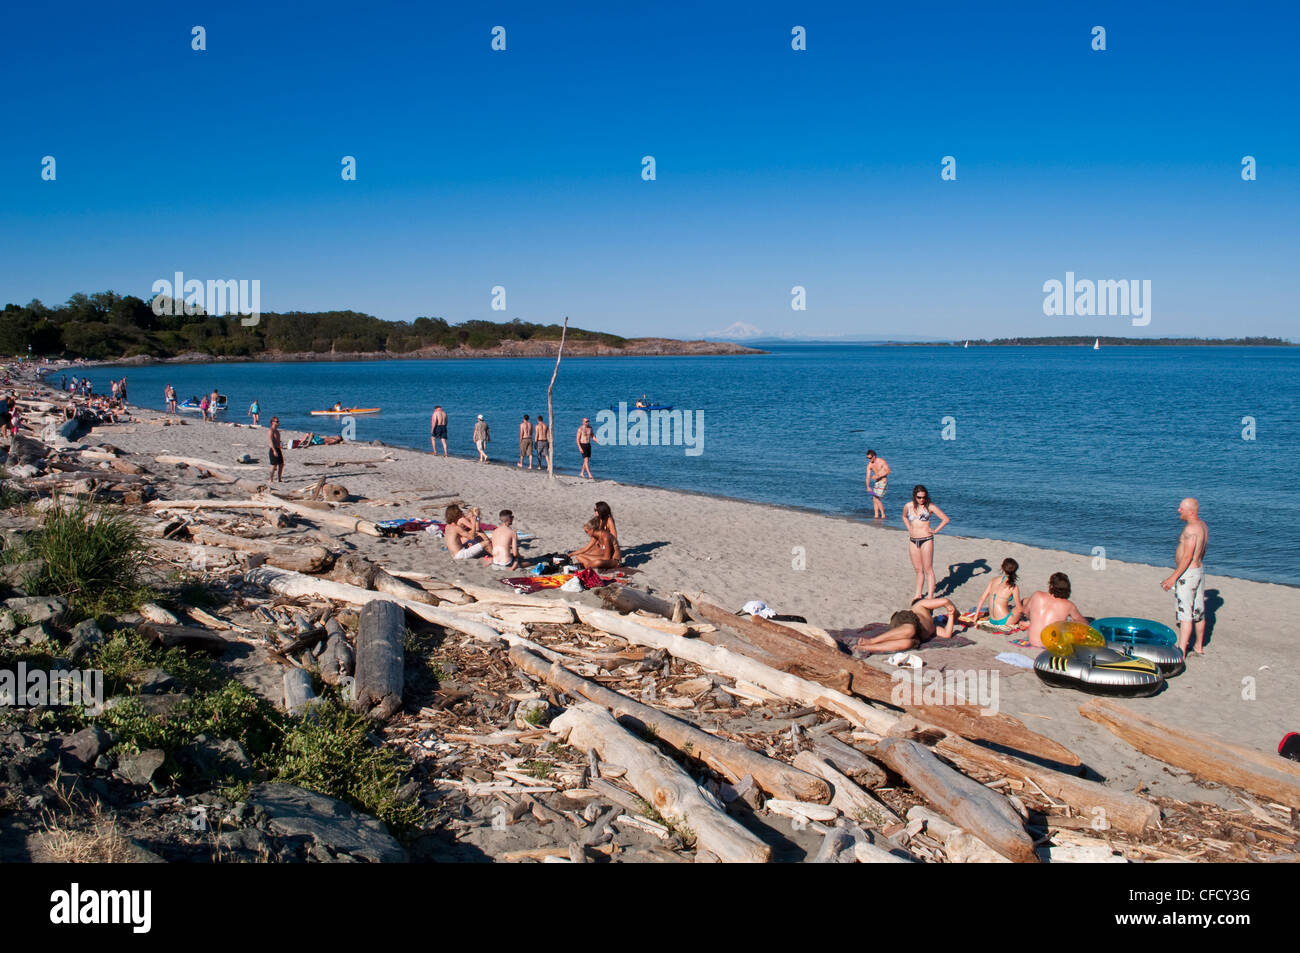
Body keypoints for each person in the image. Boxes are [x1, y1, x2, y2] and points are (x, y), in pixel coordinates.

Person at [1161, 497, 1209, 655]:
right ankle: (1198, 647)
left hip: (1188, 574)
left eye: (1181, 508)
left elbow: (1188, 557)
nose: (1178, 510)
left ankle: (1181, 651)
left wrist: (1173, 578)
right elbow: (1201, 551)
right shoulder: (1203, 526)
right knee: (1198, 612)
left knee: (1185, 615)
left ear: (1191, 511)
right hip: (1199, 571)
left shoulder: (1191, 530)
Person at [854, 596, 957, 654]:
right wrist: (955, 611)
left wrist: (951, 615)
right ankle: (872, 641)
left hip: (916, 635)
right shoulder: (919, 606)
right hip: (908, 620)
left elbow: (947, 634)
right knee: (910, 630)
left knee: (907, 643)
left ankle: (868, 648)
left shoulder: (933, 627)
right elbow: (946, 601)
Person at [902, 485, 949, 599]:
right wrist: (909, 528)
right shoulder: (908, 506)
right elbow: (904, 517)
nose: (922, 500)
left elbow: (945, 519)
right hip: (913, 540)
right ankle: (918, 594)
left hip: (926, 539)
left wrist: (935, 531)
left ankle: (930, 596)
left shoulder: (930, 507)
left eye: (924, 497)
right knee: (918, 569)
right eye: (919, 497)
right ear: (915, 496)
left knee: (928, 568)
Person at [1022, 573, 1086, 650]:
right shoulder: (1068, 605)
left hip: (1033, 640)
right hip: (1050, 644)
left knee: (1027, 601)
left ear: (1051, 585)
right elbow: (1083, 623)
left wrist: (1033, 620)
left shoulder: (1037, 595)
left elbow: (1025, 612)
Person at [971, 558, 1024, 626]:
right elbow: (1019, 609)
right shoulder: (1013, 587)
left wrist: (976, 616)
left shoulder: (994, 580)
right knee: (1024, 602)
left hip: (992, 619)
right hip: (1005, 620)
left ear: (1002, 568)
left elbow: (982, 598)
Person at [865, 450, 890, 519]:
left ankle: (883, 515)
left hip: (883, 482)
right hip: (877, 483)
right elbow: (868, 476)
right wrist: (867, 486)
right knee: (874, 499)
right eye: (868, 458)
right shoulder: (869, 465)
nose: (869, 460)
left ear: (874, 456)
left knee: (876, 499)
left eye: (870, 458)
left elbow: (888, 471)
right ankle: (876, 515)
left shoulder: (881, 461)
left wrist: (878, 476)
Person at [267, 416, 284, 482]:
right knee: (273, 465)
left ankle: (279, 479)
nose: (278, 422)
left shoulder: (277, 431)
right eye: (277, 421)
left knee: (281, 464)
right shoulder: (271, 431)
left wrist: (280, 444)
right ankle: (270, 479)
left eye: (278, 421)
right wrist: (274, 451)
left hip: (278, 448)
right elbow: (271, 442)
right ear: (272, 422)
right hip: (273, 449)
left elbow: (277, 440)